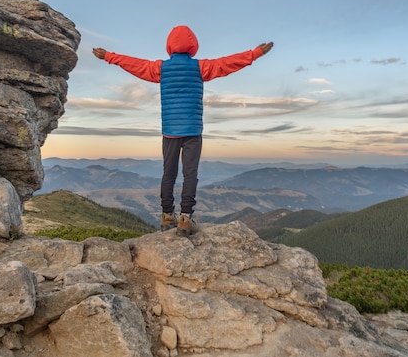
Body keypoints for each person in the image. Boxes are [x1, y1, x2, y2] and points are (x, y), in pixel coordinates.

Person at [93, 25, 273, 236]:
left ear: (169, 46)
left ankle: (167, 215)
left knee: (168, 174)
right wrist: (255, 54)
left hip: (170, 131)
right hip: (193, 132)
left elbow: (135, 64)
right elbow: (227, 63)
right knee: (190, 174)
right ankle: (186, 218)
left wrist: (109, 56)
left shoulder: (161, 68)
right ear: (193, 45)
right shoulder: (200, 67)